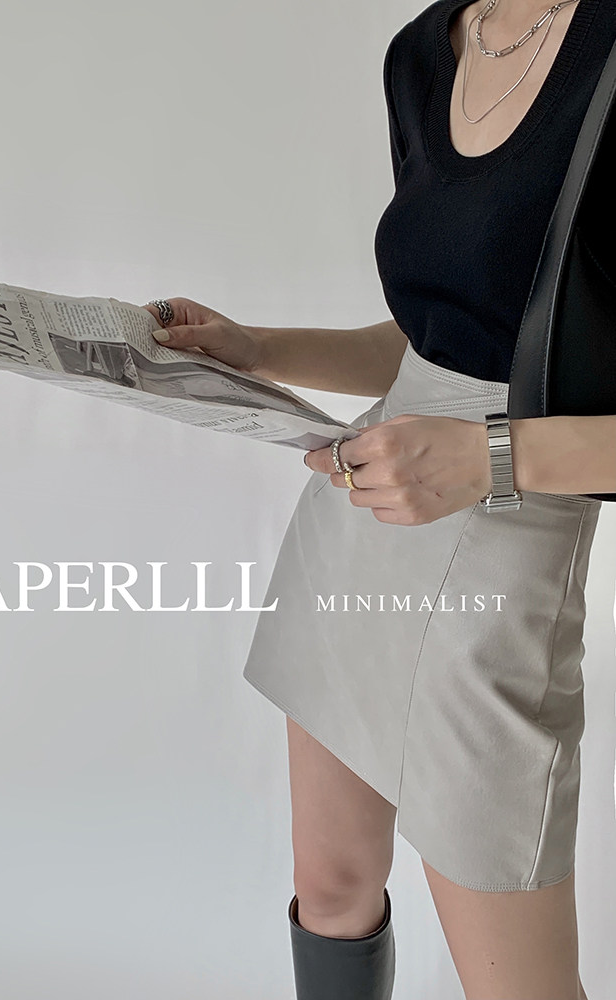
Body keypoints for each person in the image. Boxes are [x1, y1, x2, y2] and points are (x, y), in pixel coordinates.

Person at [143, 1, 616, 997]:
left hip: (504, 547)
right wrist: (260, 349)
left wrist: (490, 457)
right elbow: (445, 332)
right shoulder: (423, 52)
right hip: (366, 507)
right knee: (332, 890)